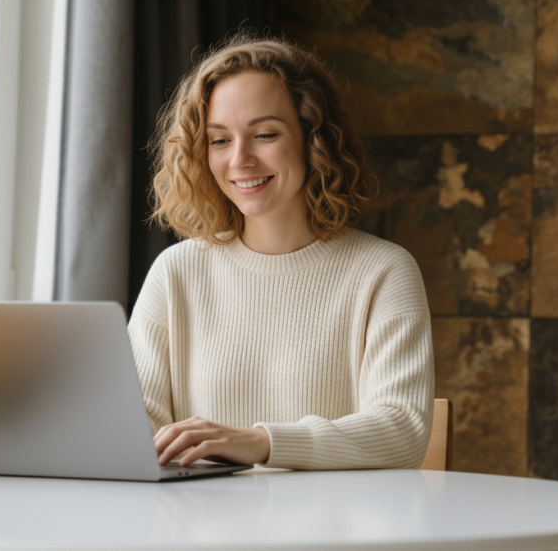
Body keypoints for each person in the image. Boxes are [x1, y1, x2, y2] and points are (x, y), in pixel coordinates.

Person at [127, 33, 434, 470]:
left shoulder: (383, 271)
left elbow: (402, 431)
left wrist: (262, 442)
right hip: (202, 533)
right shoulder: (176, 273)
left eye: (265, 134)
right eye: (219, 140)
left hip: (329, 536)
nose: (240, 160)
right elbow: (136, 425)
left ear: (316, 139)